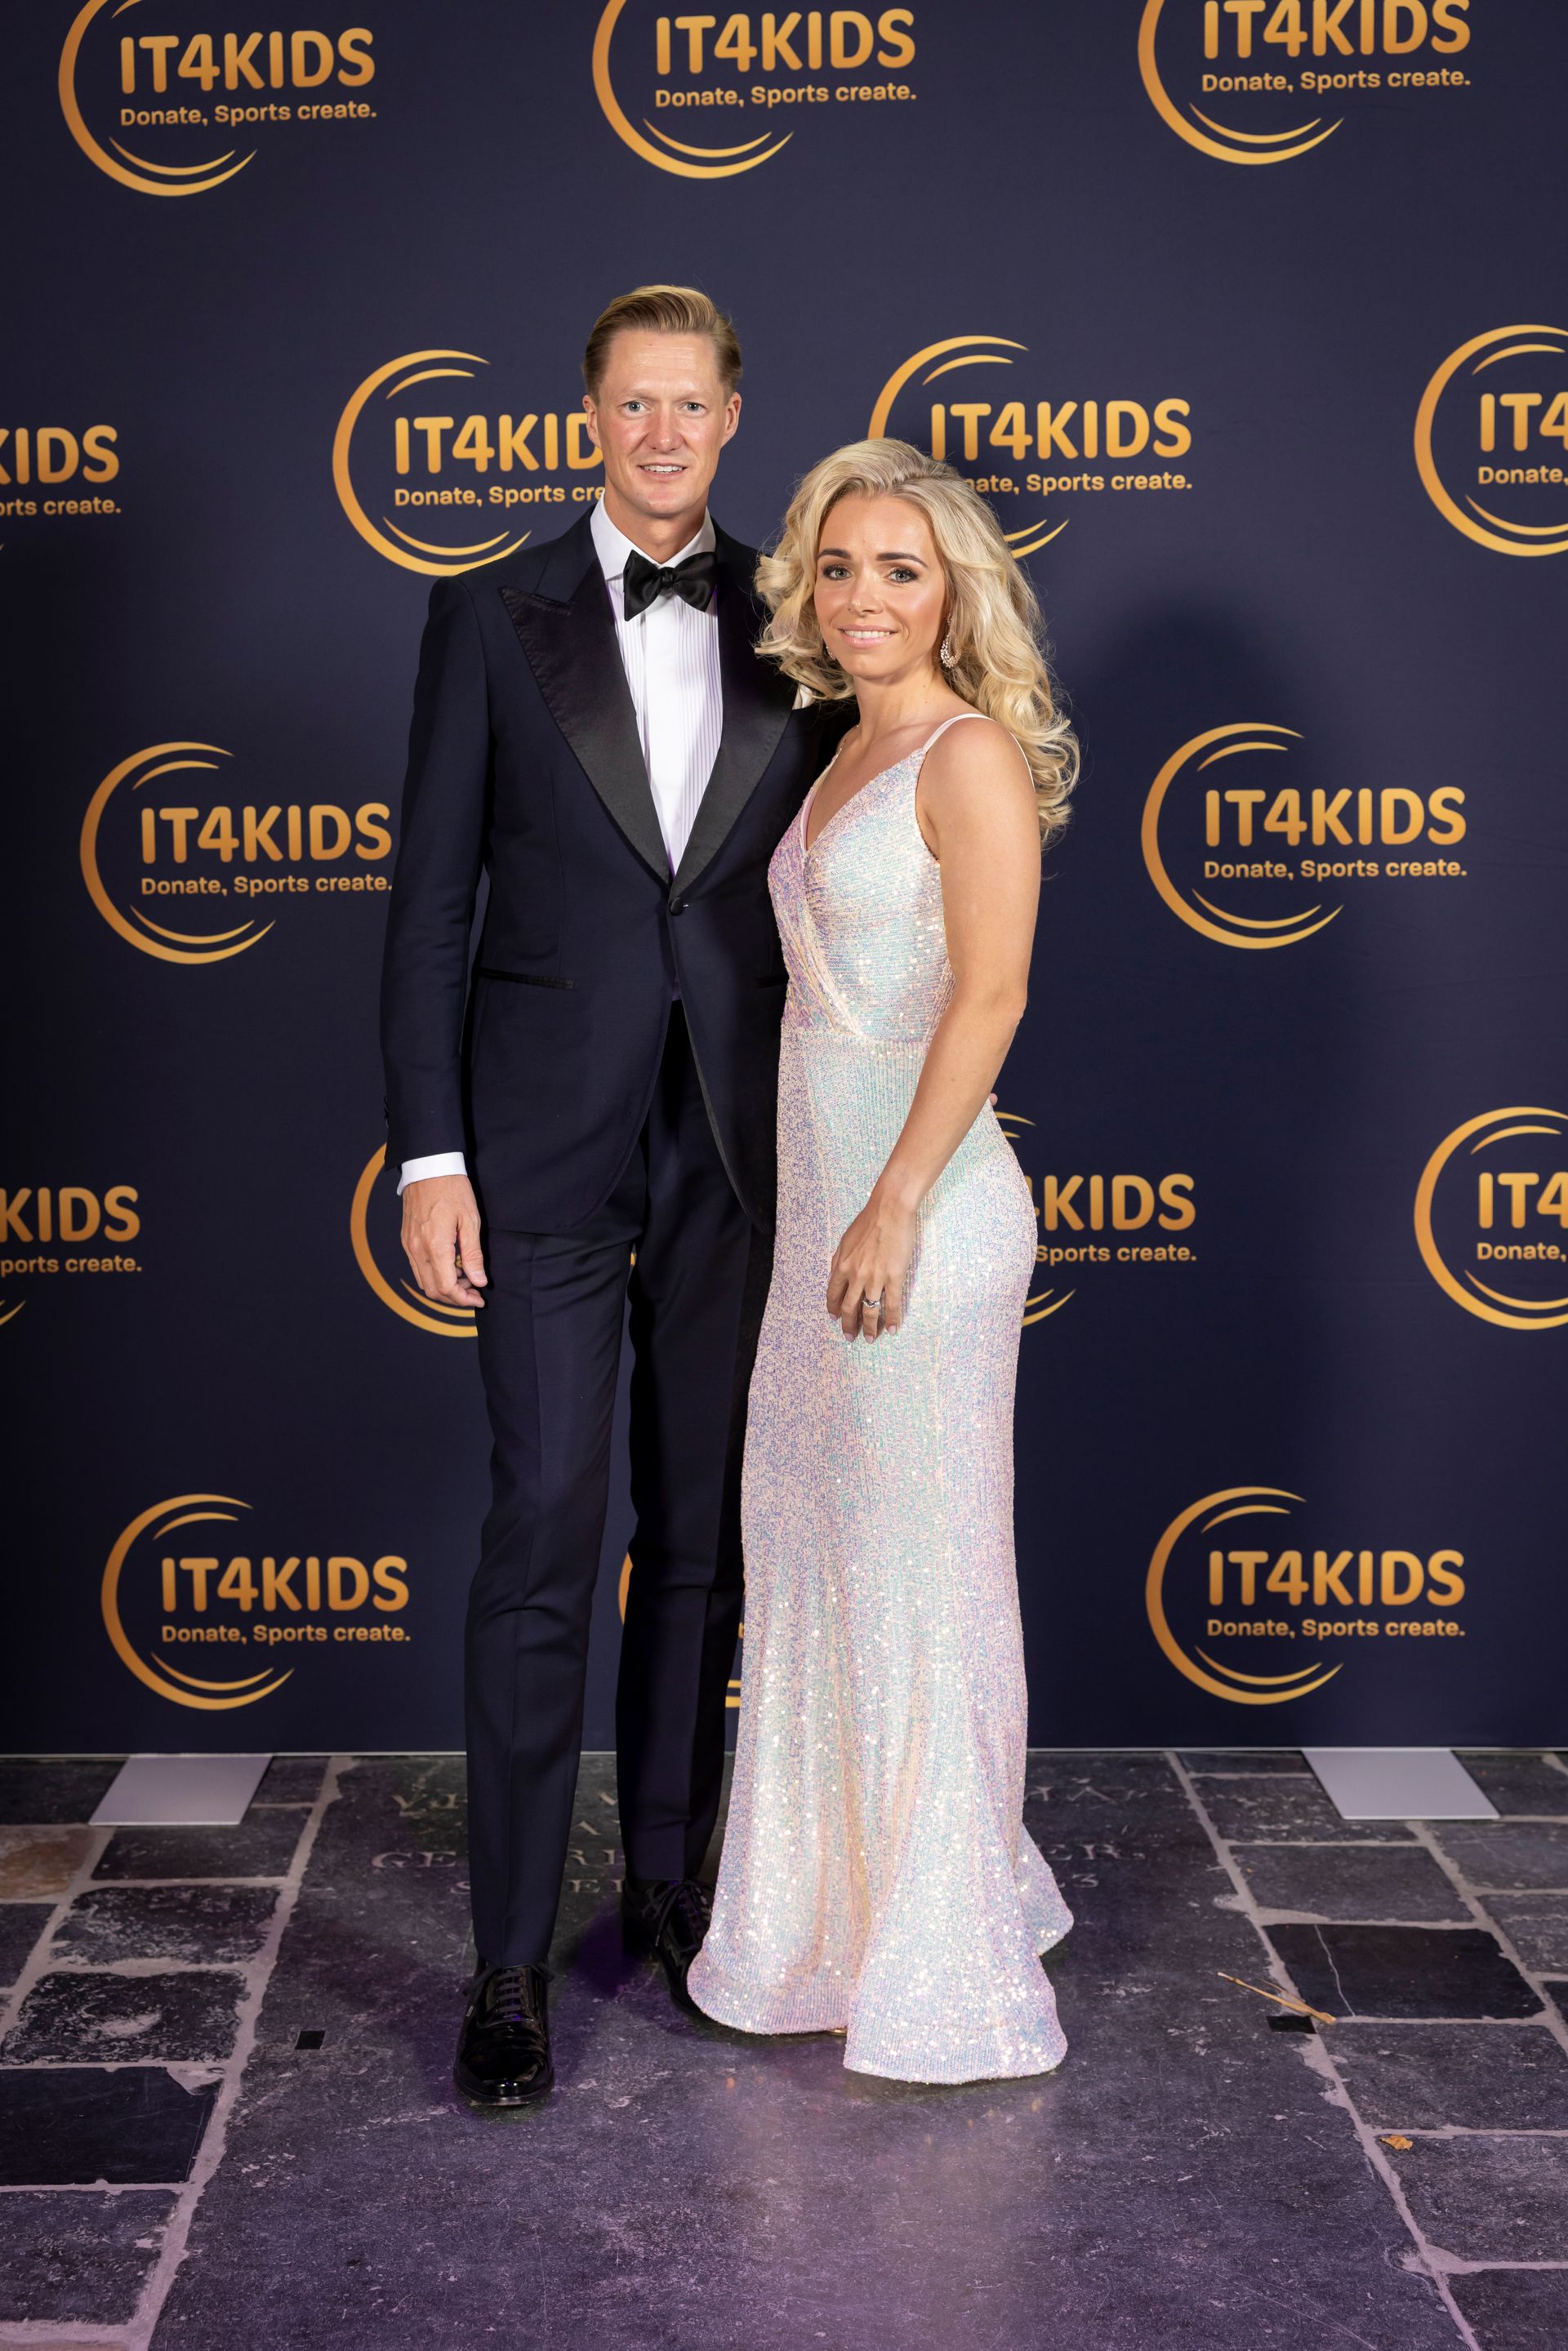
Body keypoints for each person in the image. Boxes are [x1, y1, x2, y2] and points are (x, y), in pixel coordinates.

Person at [379, 286, 848, 2111]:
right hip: (537, 1149)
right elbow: (430, 903)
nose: (662, 434)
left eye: (690, 405)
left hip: (739, 1138)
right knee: (546, 1524)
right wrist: (431, 1149)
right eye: (632, 404)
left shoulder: (803, 617)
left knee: (702, 1535)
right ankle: (508, 1966)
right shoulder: (490, 614)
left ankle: (670, 1887)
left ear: (733, 418)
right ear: (588, 418)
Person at [687, 439, 1077, 2082]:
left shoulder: (968, 752)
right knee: (822, 1563)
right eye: (838, 566)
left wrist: (900, 1196)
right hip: (825, 1220)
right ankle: (825, 1927)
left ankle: (939, 1944)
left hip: (919, 1219)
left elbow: (992, 990)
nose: (862, 597)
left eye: (900, 570)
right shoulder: (846, 745)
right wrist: (848, 1204)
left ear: (954, 594)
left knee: (921, 1575)